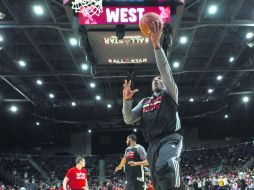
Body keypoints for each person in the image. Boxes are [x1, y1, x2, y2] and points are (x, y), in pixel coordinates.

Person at [122, 20, 183, 190]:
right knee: (158, 179)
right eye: (154, 79)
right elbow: (128, 119)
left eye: (160, 79)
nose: (157, 79)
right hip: (152, 144)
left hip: (170, 138)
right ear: (151, 86)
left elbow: (164, 70)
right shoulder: (144, 102)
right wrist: (127, 101)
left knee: (167, 164)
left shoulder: (170, 93)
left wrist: (156, 45)